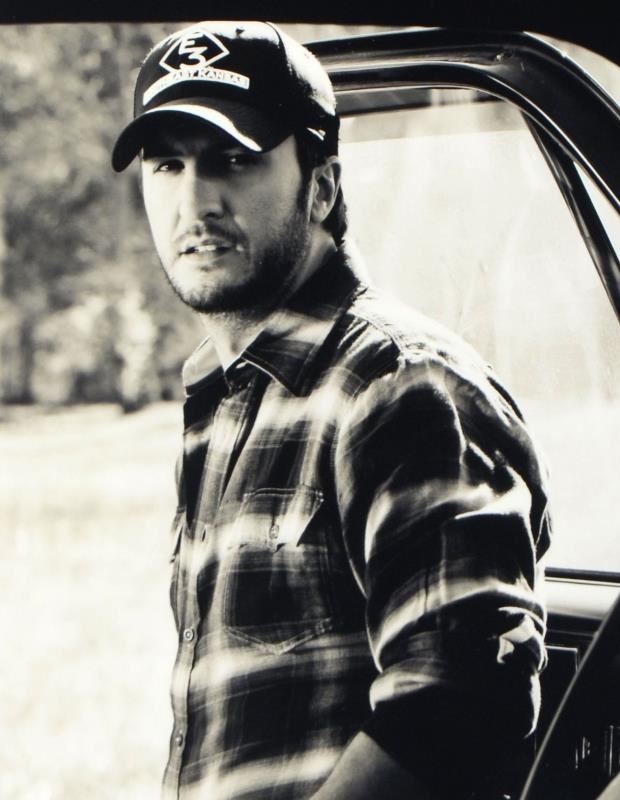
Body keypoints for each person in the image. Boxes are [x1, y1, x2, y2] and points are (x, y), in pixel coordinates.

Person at [112, 20, 552, 800]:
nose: (193, 201)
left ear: (321, 186)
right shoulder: (220, 397)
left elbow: (463, 700)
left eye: (234, 159)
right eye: (167, 164)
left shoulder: (401, 384)